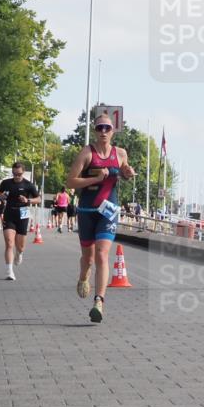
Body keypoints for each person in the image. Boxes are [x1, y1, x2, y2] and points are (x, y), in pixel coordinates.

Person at [66, 114, 135, 322]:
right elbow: (71, 182)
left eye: (107, 128)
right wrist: (95, 178)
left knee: (102, 255)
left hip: (108, 211)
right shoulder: (87, 153)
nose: (103, 131)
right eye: (99, 128)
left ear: (113, 131)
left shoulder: (120, 153)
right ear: (95, 131)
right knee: (88, 259)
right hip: (87, 211)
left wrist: (127, 173)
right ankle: (83, 276)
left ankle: (99, 301)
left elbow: (124, 172)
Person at [0, 162, 40, 280]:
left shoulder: (28, 185)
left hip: (23, 214)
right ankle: (9, 271)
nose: (16, 176)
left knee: (20, 247)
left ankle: (19, 253)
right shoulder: (6, 183)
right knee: (9, 243)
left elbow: (38, 199)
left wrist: (28, 200)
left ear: (23, 172)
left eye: (19, 174)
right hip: (9, 213)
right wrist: (2, 196)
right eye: (14, 174)